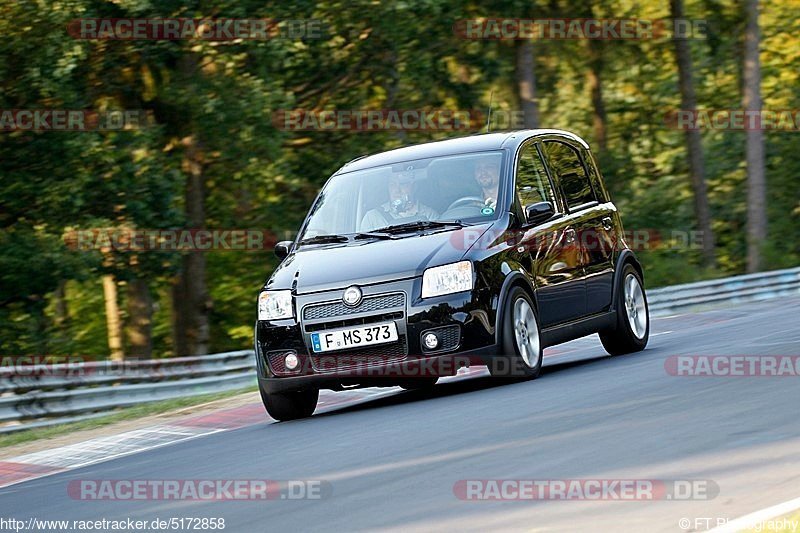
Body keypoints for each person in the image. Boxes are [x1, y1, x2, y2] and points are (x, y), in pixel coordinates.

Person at [360, 171, 438, 231]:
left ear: (414, 187)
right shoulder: (372, 217)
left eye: (402, 184)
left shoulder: (429, 216)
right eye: (392, 184)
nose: (397, 190)